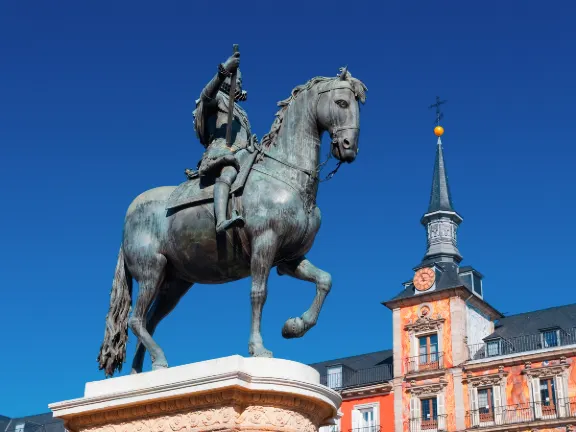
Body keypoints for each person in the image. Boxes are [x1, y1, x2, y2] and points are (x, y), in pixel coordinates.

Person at [188, 50, 253, 233]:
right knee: (229, 171)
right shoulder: (217, 99)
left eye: (240, 80)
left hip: (243, 152)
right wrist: (224, 71)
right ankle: (221, 221)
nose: (239, 81)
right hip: (222, 151)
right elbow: (205, 96)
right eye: (235, 78)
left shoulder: (241, 111)